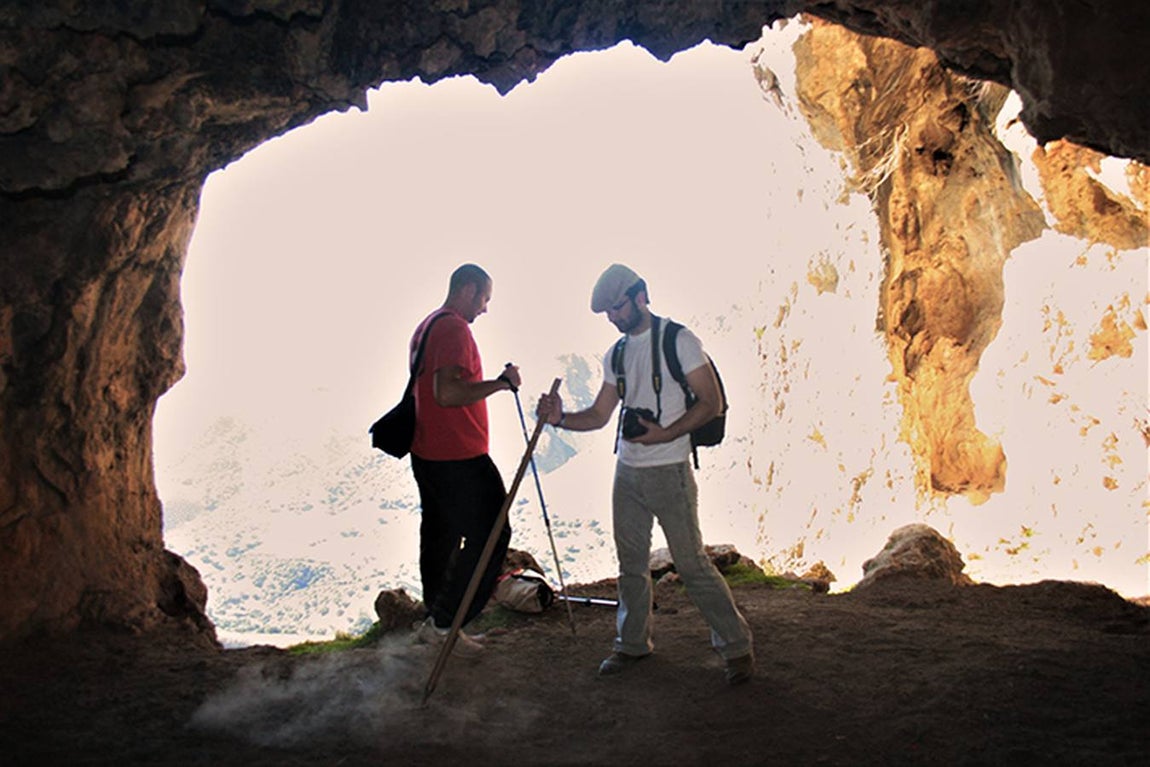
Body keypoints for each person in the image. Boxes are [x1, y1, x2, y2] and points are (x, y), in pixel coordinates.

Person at [536, 264, 755, 685]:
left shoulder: (680, 340)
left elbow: (711, 402)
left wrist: (665, 434)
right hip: (628, 473)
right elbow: (601, 415)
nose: (613, 319)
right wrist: (559, 419)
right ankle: (632, 644)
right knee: (630, 565)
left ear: (640, 297)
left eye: (616, 308)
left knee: (691, 565)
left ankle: (737, 647)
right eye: (607, 314)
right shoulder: (616, 354)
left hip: (669, 469)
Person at [408, 263, 521, 657]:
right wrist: (501, 384)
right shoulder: (454, 328)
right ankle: (448, 621)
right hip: (458, 454)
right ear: (469, 289)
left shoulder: (428, 325)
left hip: (428, 453)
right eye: (485, 298)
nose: (485, 308)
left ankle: (436, 623)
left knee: (439, 536)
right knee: (492, 534)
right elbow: (448, 393)